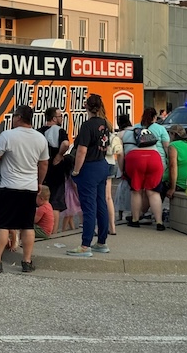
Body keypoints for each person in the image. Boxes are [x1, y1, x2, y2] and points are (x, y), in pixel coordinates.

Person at [0, 105, 48, 274]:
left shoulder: (7, 136)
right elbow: (43, 163)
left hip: (9, 187)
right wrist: (39, 182)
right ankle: (27, 261)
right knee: (27, 226)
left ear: (18, 117)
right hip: (30, 187)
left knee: (3, 224)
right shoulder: (40, 138)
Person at [67, 94, 111, 257]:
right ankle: (102, 242)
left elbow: (81, 150)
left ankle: (85, 245)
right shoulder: (105, 124)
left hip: (89, 168)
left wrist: (76, 170)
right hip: (102, 164)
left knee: (88, 207)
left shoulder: (87, 126)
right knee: (101, 205)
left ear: (86, 106)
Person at [121, 109, 165, 230]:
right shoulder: (156, 129)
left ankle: (135, 220)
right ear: (154, 118)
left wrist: (122, 169)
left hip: (135, 159)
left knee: (137, 191)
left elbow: (120, 151)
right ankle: (159, 223)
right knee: (153, 192)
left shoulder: (129, 131)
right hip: (154, 158)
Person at [37, 107, 70, 234]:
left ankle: (42, 230)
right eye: (60, 116)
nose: (62, 118)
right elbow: (66, 144)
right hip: (56, 169)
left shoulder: (39, 131)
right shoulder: (59, 131)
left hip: (41, 169)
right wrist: (59, 155)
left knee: (42, 200)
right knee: (55, 202)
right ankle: (53, 232)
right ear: (54, 118)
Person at [104, 122, 123, 235]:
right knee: (108, 197)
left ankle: (100, 226)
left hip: (101, 163)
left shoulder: (99, 136)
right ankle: (112, 226)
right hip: (111, 163)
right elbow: (120, 153)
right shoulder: (113, 137)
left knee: (99, 197)